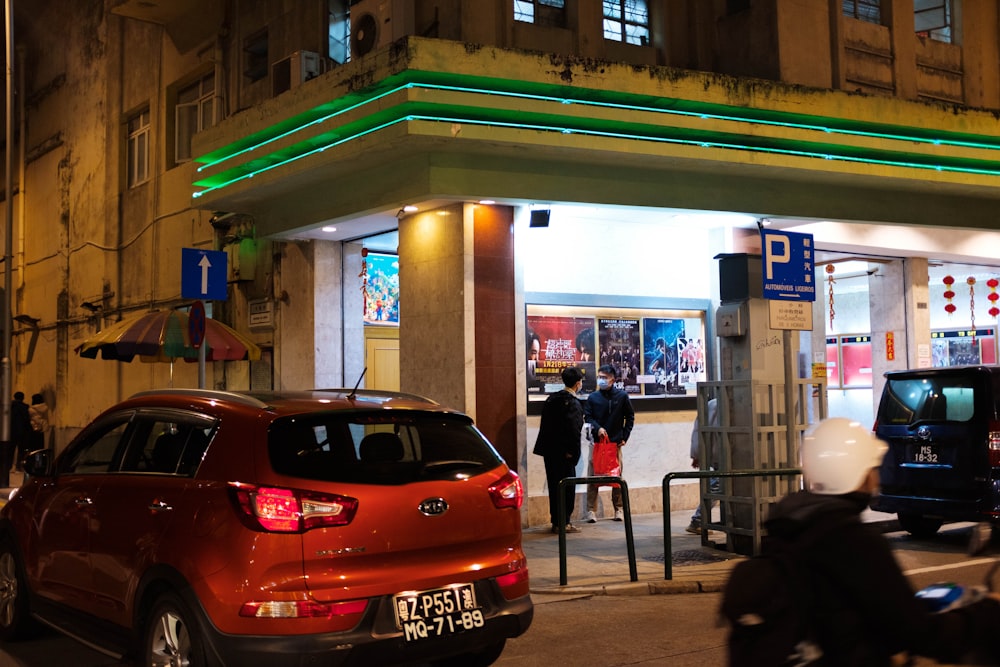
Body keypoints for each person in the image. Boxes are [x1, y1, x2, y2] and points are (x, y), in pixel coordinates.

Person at [758, 417, 1000, 665]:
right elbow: (921, 633)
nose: (877, 477)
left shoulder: (786, 529)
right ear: (858, 475)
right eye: (872, 469)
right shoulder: (854, 542)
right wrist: (986, 612)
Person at [533, 367, 585, 534]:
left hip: (550, 452)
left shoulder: (551, 399)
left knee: (554, 486)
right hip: (565, 454)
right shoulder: (573, 403)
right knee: (567, 488)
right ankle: (565, 523)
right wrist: (572, 451)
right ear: (578, 383)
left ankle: (556, 521)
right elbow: (574, 430)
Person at [584, 364, 634, 522]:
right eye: (600, 377)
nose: (601, 380)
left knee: (617, 477)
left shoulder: (622, 396)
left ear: (613, 379)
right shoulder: (593, 398)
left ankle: (618, 509)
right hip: (597, 443)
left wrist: (624, 436)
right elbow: (588, 417)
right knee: (593, 476)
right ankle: (591, 510)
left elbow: (630, 417)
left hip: (615, 443)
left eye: (604, 377)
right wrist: (597, 428)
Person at [686, 397, 720, 534]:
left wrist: (696, 454)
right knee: (717, 486)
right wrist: (697, 454)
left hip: (717, 454)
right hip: (722, 454)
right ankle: (698, 520)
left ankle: (698, 520)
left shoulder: (712, 404)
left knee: (717, 485)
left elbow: (698, 430)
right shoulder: (718, 404)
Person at [9, 392, 31, 472]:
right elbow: (26, 420)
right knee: (21, 450)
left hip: (11, 431)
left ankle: (9, 466)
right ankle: (19, 466)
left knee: (10, 450)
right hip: (22, 432)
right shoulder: (25, 407)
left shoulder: (10, 406)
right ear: (23, 398)